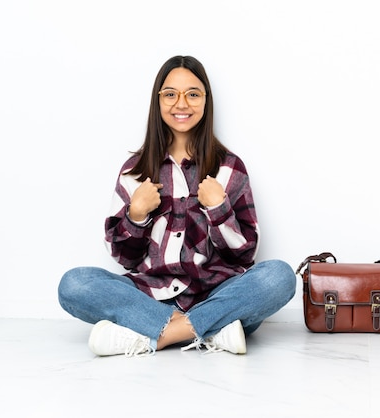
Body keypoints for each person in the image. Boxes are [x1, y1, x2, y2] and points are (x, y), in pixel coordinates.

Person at [58, 55, 296, 357]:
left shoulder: (230, 168)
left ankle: (152, 335)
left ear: (206, 101)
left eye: (193, 94)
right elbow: (124, 259)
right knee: (74, 284)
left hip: (217, 295)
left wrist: (219, 209)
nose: (181, 104)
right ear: (158, 101)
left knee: (278, 276)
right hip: (148, 296)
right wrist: (136, 215)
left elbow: (246, 254)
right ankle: (208, 331)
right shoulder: (134, 170)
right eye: (170, 94)